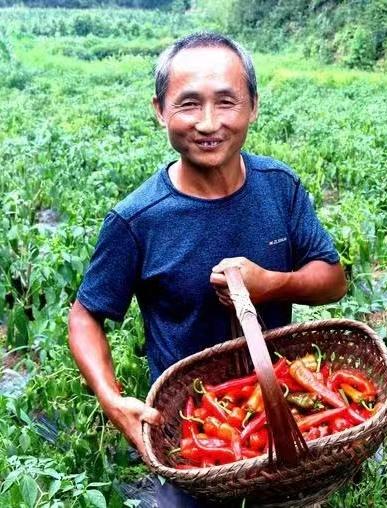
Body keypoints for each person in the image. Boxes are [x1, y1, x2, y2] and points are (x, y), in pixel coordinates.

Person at [68, 32, 347, 507]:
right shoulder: (139, 219)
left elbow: (333, 279)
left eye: (226, 102)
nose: (209, 123)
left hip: (275, 412)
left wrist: (272, 285)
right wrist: (113, 400)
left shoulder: (280, 188)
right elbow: (85, 316)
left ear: (253, 106)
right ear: (160, 110)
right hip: (194, 428)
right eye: (189, 104)